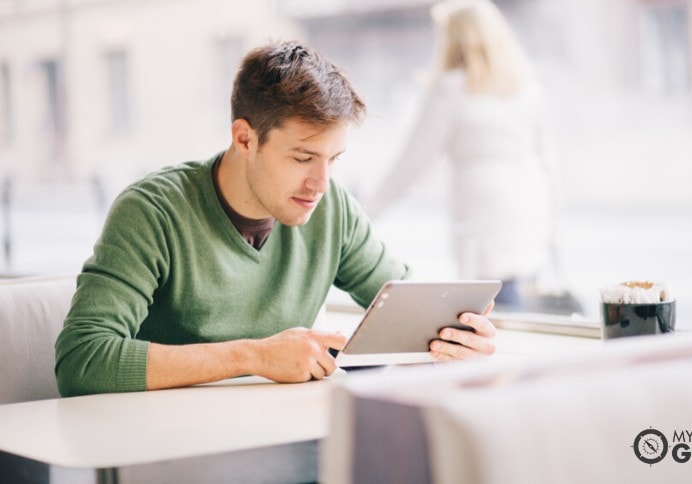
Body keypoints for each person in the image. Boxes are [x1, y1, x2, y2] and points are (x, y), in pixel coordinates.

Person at [54, 41, 497, 397]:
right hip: (173, 451)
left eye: (332, 159)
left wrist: (454, 336)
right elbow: (83, 360)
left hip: (285, 438)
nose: (320, 183)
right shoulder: (153, 211)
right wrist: (253, 356)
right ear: (245, 138)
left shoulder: (331, 207)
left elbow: (406, 305)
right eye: (303, 157)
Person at [365, 0, 560, 309]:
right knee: (514, 297)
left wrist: (365, 213)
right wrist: (551, 228)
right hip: (530, 206)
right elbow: (548, 159)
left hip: (484, 214)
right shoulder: (526, 86)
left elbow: (411, 164)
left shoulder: (450, 90)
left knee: (490, 305)